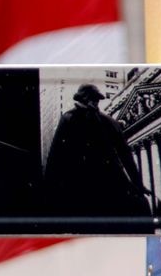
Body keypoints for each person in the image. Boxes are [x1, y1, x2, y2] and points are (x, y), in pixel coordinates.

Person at [44, 84, 151, 217]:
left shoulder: (105, 122)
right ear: (83, 99)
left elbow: (126, 156)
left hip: (99, 186)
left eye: (96, 99)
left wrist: (138, 184)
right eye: (92, 99)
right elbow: (56, 157)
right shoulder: (70, 119)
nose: (94, 102)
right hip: (86, 186)